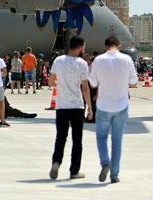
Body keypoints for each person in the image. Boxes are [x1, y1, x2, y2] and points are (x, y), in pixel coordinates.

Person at [89, 36, 138, 184]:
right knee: (117, 141)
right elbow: (134, 81)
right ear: (119, 45)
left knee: (101, 138)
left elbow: (92, 82)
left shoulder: (98, 60)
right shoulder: (127, 59)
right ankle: (114, 175)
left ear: (105, 46)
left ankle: (105, 162)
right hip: (121, 106)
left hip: (103, 105)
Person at [48, 35, 92, 180]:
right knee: (77, 141)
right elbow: (85, 87)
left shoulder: (58, 60)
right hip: (77, 106)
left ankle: (56, 162)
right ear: (79, 47)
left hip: (61, 105)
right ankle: (74, 171)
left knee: (60, 138)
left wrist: (61, 84)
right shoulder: (82, 63)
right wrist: (90, 108)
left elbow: (50, 82)